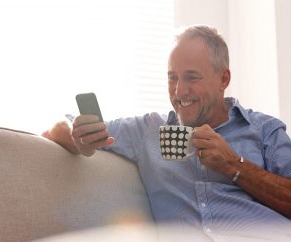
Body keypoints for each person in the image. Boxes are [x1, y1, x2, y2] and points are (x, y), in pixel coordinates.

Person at [43, 25, 291, 240]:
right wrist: (79, 137)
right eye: (172, 78)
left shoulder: (264, 130)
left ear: (223, 79)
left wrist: (233, 166)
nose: (180, 91)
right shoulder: (148, 130)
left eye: (192, 77)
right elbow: (56, 128)